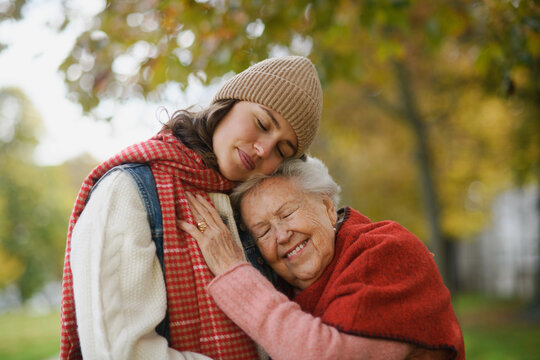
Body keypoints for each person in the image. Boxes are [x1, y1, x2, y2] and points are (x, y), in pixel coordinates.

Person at [59, 56, 323, 360]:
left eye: (281, 149)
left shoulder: (254, 212)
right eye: (262, 123)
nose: (264, 149)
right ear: (228, 103)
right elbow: (122, 353)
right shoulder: (126, 191)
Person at [179, 157, 465, 360]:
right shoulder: (284, 290)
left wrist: (232, 271)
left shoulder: (387, 249)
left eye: (288, 213)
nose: (281, 236)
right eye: (263, 231)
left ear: (328, 207)